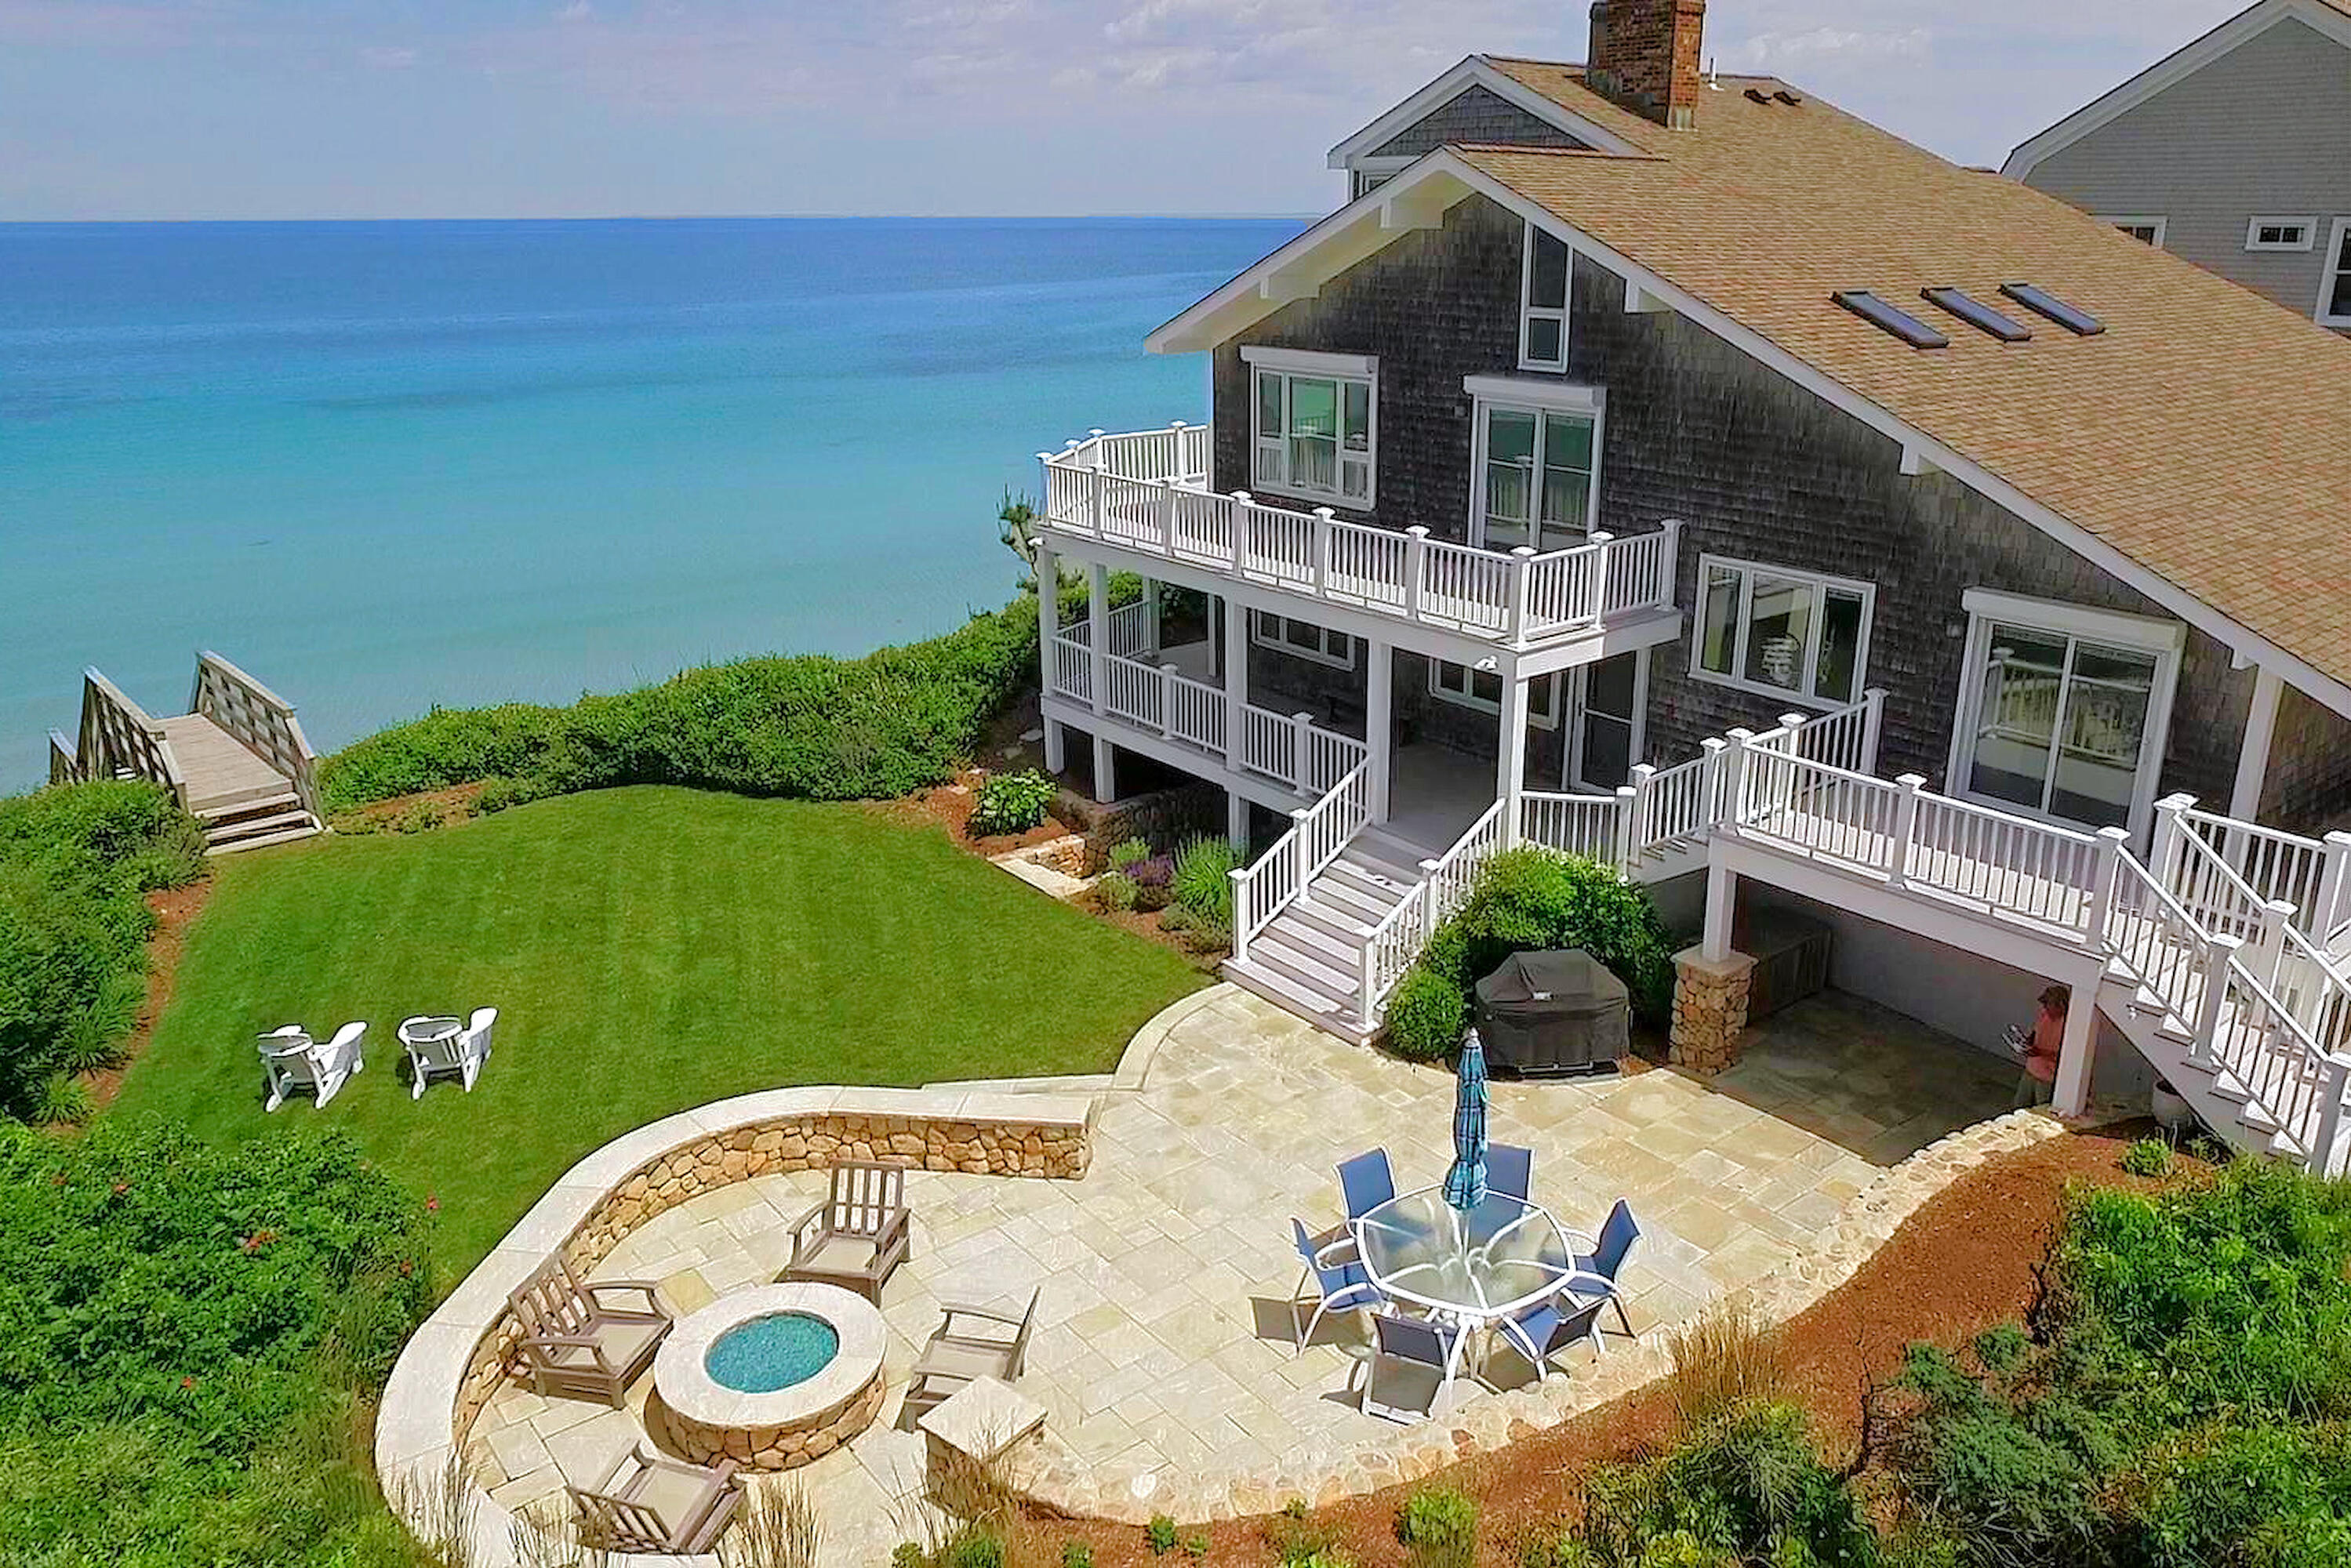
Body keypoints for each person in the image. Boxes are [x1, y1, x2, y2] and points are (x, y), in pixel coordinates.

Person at [2011, 984, 2069, 1109]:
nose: (2045, 1008)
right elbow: (2035, 1032)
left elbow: (2066, 1056)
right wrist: (2027, 1041)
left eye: (2048, 1004)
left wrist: (2041, 1053)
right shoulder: (2044, 1015)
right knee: (2019, 1105)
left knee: (2042, 1109)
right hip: (2031, 1069)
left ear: (2060, 1005)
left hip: (2048, 1077)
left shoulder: (2069, 1025)